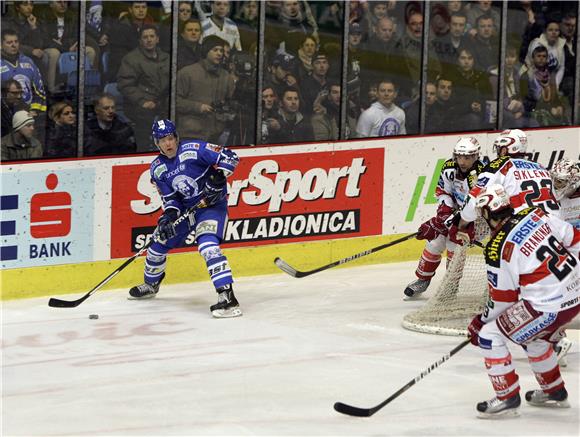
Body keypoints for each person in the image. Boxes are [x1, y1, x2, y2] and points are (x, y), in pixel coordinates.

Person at [466, 183, 579, 418]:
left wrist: (480, 322)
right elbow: (575, 238)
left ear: (488, 213)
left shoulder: (498, 247)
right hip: (576, 293)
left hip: (550, 306)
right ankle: (554, 392)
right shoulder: (535, 213)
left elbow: (503, 300)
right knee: (534, 338)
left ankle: (507, 397)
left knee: (490, 335)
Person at [129, 119, 242, 319]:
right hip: (187, 212)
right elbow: (171, 199)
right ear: (156, 143)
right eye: (163, 140)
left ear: (177, 138)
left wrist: (219, 177)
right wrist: (169, 216)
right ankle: (151, 284)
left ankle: (227, 298)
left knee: (208, 247)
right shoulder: (157, 168)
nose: (168, 144)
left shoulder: (195, 148)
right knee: (157, 243)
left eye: (171, 138)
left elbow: (229, 156)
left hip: (211, 208)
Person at [404, 137, 484, 298]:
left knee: (454, 245)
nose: (462, 161)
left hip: (476, 219)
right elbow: (443, 192)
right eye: (459, 157)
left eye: (467, 158)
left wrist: (451, 219)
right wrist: (444, 214)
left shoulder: (480, 176)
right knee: (434, 243)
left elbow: (475, 206)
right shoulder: (449, 167)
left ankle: (451, 287)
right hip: (456, 212)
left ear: (475, 157)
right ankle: (422, 280)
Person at [456, 129, 560, 243]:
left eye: (499, 148)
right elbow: (556, 201)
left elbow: (475, 196)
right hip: (556, 228)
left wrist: (463, 222)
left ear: (505, 149)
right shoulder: (541, 168)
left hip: (524, 231)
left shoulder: (500, 164)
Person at [117, 24, 170, 151]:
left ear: (157, 39)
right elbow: (125, 84)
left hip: (162, 102)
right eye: (145, 37)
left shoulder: (167, 58)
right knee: (144, 119)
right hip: (138, 105)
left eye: (152, 36)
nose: (149, 39)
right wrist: (142, 101)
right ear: (140, 41)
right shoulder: (131, 59)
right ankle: (144, 150)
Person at [549, 158, 580, 366]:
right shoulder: (556, 200)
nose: (556, 186)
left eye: (560, 182)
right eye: (555, 181)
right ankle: (557, 342)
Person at [176, 35, 234, 142]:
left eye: (221, 50)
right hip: (190, 134)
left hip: (216, 134)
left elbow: (231, 102)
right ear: (206, 51)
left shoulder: (227, 77)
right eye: (215, 50)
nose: (219, 53)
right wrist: (198, 107)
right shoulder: (187, 73)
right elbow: (175, 101)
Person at [0, 29, 46, 115]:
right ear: (1, 45)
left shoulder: (28, 62)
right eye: (9, 42)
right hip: (5, 115)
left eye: (16, 42)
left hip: (29, 113)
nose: (13, 45)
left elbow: (39, 89)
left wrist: (35, 110)